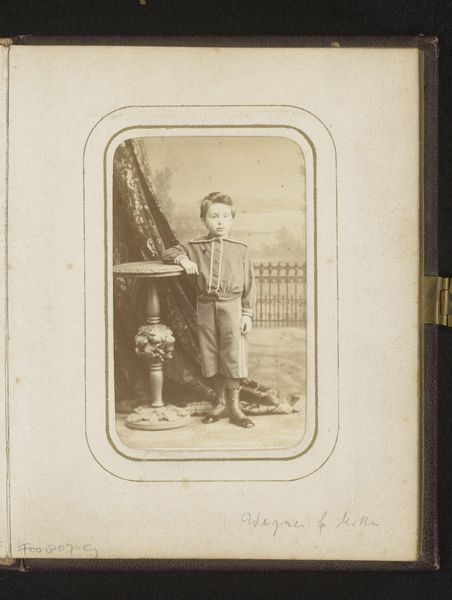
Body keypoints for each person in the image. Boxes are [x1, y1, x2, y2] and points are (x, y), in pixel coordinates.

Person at [162, 192, 256, 428]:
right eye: (214, 216)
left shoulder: (241, 249)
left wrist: (247, 314)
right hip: (205, 307)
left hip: (232, 308)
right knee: (210, 354)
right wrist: (183, 260)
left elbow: (250, 285)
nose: (220, 222)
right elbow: (168, 252)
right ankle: (220, 403)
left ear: (232, 219)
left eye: (225, 216)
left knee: (232, 354)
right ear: (204, 220)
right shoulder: (195, 247)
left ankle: (235, 407)